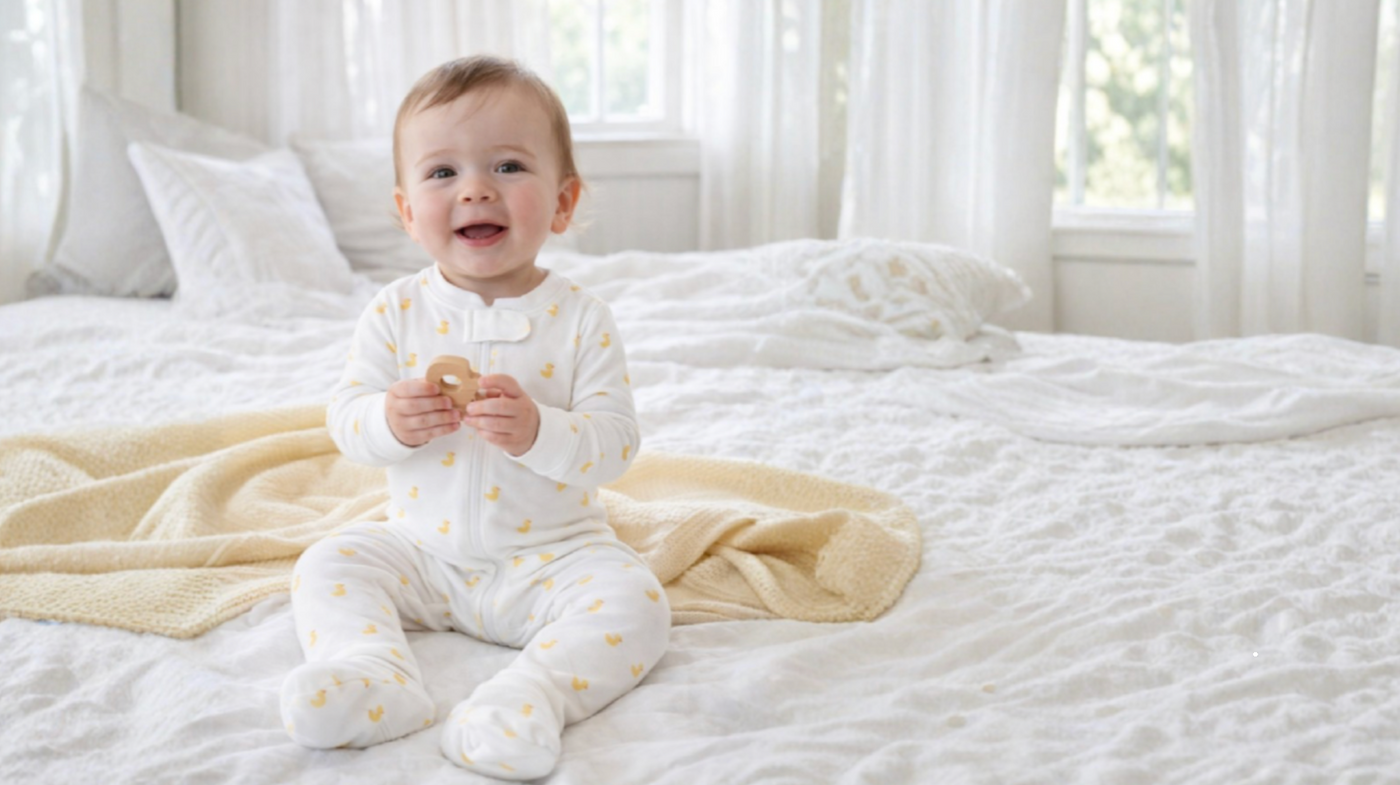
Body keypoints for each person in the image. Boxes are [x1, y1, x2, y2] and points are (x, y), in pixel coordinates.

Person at [279, 54, 670, 781]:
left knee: (639, 604)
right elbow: (345, 416)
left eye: (510, 166)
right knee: (327, 562)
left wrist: (540, 431)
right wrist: (389, 422)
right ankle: (374, 674)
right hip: (422, 552)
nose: (476, 190)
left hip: (552, 557)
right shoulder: (396, 313)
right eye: (442, 173)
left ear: (562, 200)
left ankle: (526, 698)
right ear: (405, 210)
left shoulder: (581, 320)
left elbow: (616, 444)